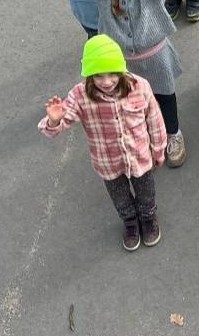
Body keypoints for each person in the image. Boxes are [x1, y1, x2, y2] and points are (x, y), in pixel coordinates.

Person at [42, 0, 189, 167]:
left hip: (155, 56)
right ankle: (145, 135)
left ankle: (173, 134)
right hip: (124, 64)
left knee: (164, 97)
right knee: (132, 102)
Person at [39, 35, 166, 251]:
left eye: (112, 74)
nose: (106, 81)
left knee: (146, 193)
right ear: (88, 75)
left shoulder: (139, 86)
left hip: (140, 156)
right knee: (120, 198)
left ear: (121, 69)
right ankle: (130, 223)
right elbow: (57, 126)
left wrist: (158, 150)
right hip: (108, 162)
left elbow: (154, 119)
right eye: (98, 76)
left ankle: (148, 218)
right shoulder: (80, 95)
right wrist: (54, 119)